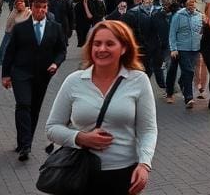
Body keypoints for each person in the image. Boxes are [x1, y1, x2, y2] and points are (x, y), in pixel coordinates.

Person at [45, 20, 157, 195]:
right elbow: (52, 128)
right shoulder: (74, 81)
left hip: (123, 173)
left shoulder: (138, 80)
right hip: (79, 172)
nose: (101, 49)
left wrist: (144, 164)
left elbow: (148, 130)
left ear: (124, 48)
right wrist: (80, 137)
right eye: (97, 43)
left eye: (110, 44)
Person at [1, 0, 68, 160]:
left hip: (42, 75)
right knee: (23, 104)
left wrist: (56, 63)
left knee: (34, 108)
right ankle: (25, 145)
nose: (41, 11)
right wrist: (6, 75)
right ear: (32, 8)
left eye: (44, 8)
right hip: (21, 73)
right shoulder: (20, 28)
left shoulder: (55, 28)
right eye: (38, 8)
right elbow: (10, 52)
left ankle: (24, 140)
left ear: (47, 8)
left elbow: (61, 50)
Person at [166, 0, 202, 108]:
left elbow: (200, 31)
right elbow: (172, 33)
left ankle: (182, 83)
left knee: (188, 71)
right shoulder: (178, 15)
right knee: (189, 71)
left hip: (195, 48)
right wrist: (173, 48)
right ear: (186, 3)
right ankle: (189, 98)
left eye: (194, 3)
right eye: (190, 3)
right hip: (182, 48)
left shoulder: (199, 16)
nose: (192, 5)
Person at [0, 0, 30, 64]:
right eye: (17, 0)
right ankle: (2, 59)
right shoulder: (15, 8)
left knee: (6, 47)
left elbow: (19, 21)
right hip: (9, 31)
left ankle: (3, 60)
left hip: (14, 32)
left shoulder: (26, 11)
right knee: (4, 47)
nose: (18, 1)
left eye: (21, 0)